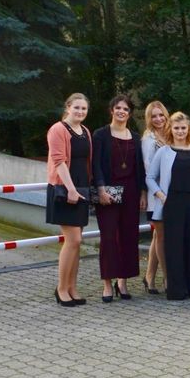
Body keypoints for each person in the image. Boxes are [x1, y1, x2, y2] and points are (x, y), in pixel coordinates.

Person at [147, 112, 190, 301]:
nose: (180, 131)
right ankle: (176, 289)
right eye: (176, 128)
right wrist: (161, 196)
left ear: (188, 129)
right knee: (174, 246)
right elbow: (150, 178)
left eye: (183, 128)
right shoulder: (164, 152)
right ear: (171, 129)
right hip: (173, 203)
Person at [92, 95, 147, 302]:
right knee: (108, 238)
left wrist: (143, 193)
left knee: (128, 237)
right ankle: (107, 283)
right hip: (108, 190)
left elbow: (140, 168)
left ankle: (122, 282)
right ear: (111, 110)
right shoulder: (100, 135)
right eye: (118, 108)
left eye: (125, 109)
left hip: (131, 191)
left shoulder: (136, 138)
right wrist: (100, 189)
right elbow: (96, 164)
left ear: (129, 113)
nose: (121, 111)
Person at [46, 93, 93, 307]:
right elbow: (59, 161)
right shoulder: (58, 129)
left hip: (82, 189)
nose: (80, 112)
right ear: (68, 108)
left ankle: (72, 287)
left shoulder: (85, 132)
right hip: (64, 190)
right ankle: (61, 288)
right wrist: (71, 189)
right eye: (77, 108)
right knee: (72, 240)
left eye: (84, 108)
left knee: (77, 242)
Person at [141, 101, 171, 294]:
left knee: (157, 236)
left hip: (172, 193)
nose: (158, 119)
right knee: (161, 236)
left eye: (161, 115)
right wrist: (158, 192)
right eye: (154, 116)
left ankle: (149, 277)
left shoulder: (170, 135)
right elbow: (148, 168)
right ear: (149, 119)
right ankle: (167, 278)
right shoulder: (148, 139)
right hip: (157, 194)